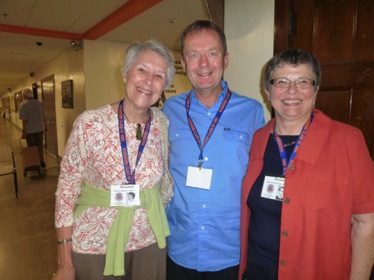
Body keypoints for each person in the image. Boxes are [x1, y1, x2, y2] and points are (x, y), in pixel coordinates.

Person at [239, 49, 374, 280]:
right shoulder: (259, 138)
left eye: (303, 81)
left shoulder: (347, 140)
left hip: (315, 272)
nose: (292, 90)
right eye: (281, 81)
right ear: (267, 90)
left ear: (316, 89)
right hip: (257, 270)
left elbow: (366, 223)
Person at [53, 40, 175, 280]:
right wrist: (64, 261)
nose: (149, 81)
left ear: (164, 86)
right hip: (96, 244)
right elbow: (66, 193)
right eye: (142, 69)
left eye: (159, 75)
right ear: (125, 73)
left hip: (149, 241)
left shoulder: (162, 123)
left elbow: (165, 181)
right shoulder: (90, 123)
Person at [162, 20, 265, 280]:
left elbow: (260, 174)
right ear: (184, 64)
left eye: (212, 53)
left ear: (226, 59)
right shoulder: (169, 110)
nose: (204, 64)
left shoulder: (252, 111)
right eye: (193, 55)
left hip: (231, 250)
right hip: (180, 246)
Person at [19, 88, 47, 168]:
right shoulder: (39, 103)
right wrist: (45, 126)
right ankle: (41, 160)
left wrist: (24, 131)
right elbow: (43, 116)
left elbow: (24, 120)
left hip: (30, 130)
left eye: (22, 95)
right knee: (40, 145)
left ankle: (35, 163)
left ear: (24, 96)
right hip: (40, 128)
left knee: (32, 147)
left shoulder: (23, 105)